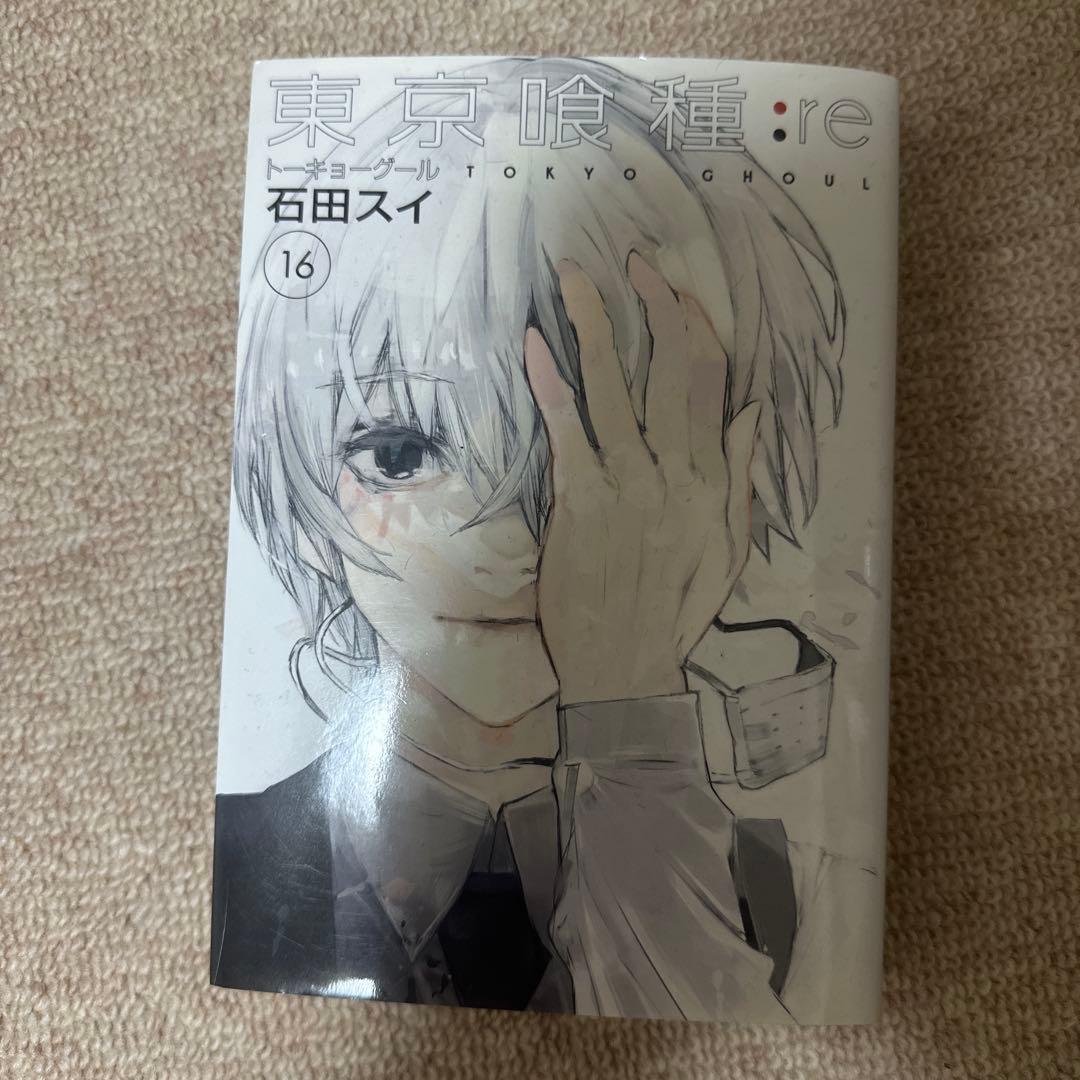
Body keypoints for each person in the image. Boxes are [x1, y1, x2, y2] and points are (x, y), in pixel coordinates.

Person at [212, 58, 870, 1021]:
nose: (509, 540)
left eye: (609, 445)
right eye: (400, 452)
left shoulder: (802, 895)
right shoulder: (234, 866)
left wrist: (632, 709)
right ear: (303, 494)